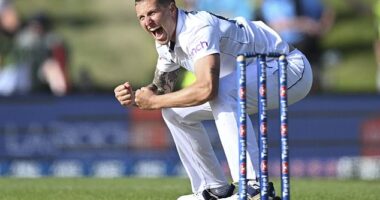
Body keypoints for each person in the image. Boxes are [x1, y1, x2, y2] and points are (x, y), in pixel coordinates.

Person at [114, 0, 312, 199]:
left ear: (171, 8)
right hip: (253, 76)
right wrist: (136, 98)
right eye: (141, 17)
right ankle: (214, 189)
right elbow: (159, 89)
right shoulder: (165, 43)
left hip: (289, 66)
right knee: (174, 112)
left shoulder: (198, 28)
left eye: (152, 13)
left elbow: (208, 88)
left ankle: (255, 188)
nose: (147, 22)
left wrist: (154, 102)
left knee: (222, 92)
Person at [260, 0, 334, 93]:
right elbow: (275, 25)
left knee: (312, 81)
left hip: (307, 43)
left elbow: (327, 10)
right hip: (285, 48)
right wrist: (303, 24)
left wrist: (322, 27)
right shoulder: (272, 3)